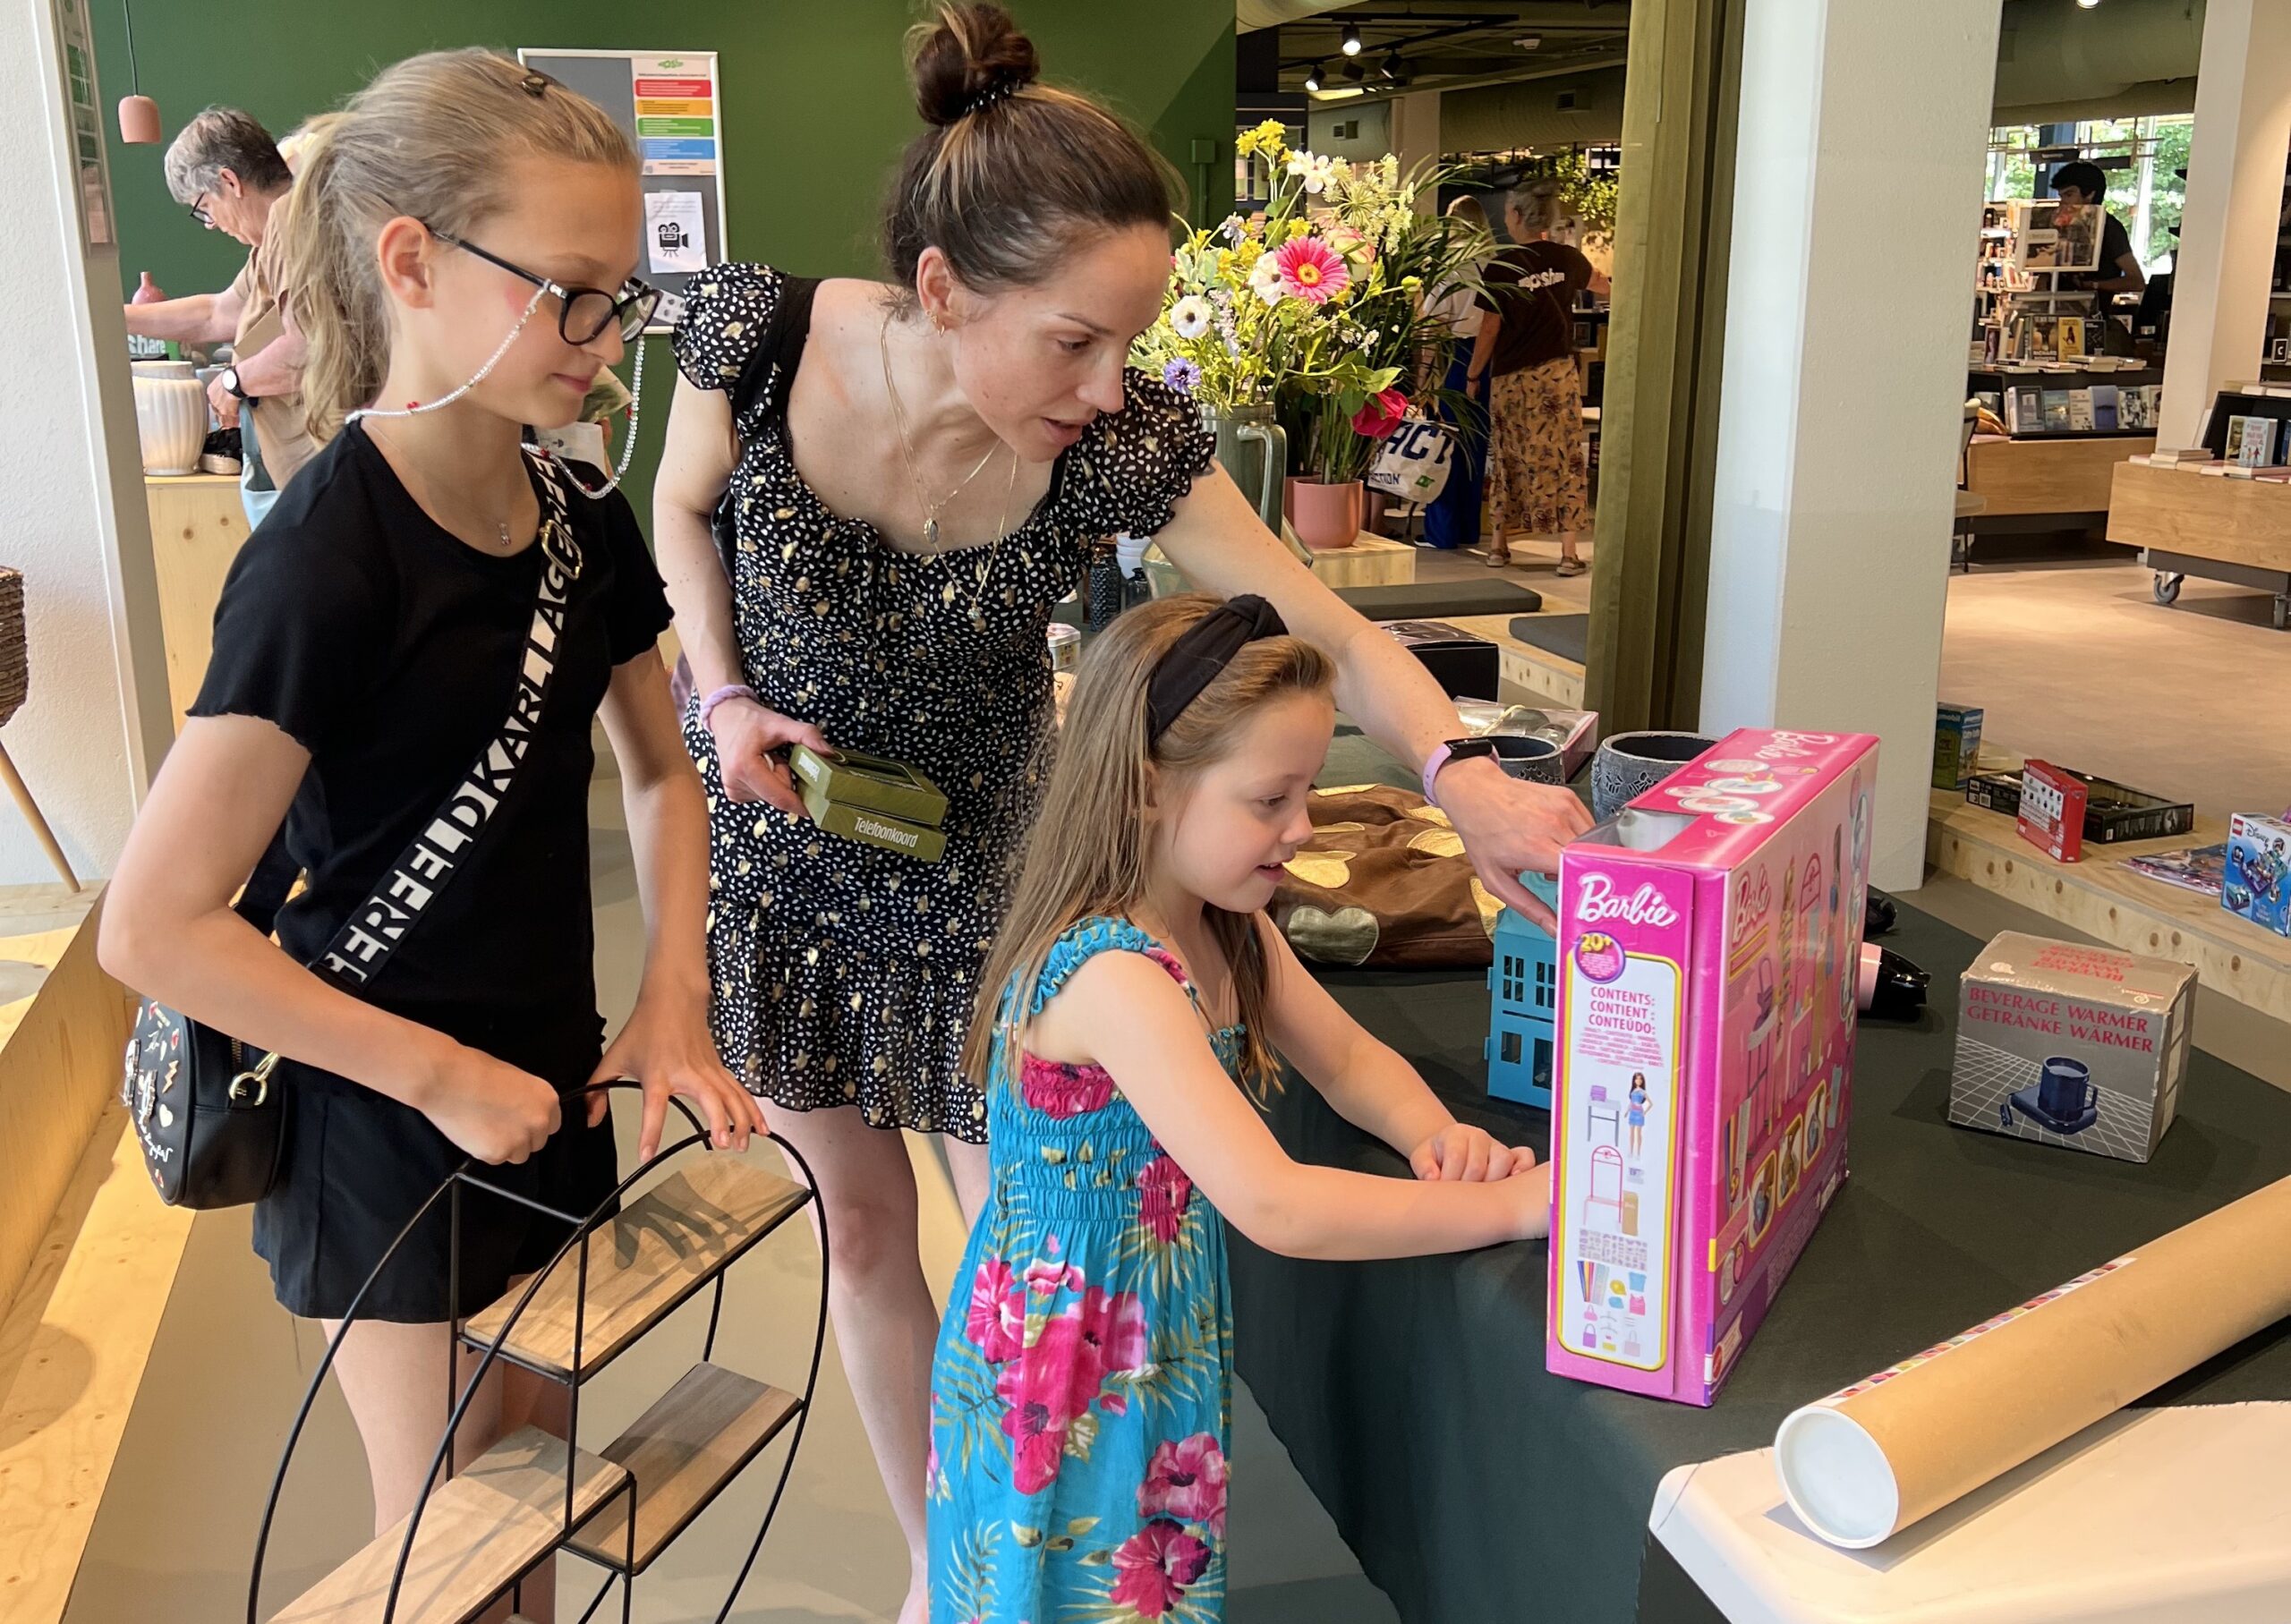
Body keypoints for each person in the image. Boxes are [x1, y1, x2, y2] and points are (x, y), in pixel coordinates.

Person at [651, 8, 1589, 1618]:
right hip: (791, 852)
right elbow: (677, 506)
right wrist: (725, 695)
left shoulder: (1114, 448)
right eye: (1071, 341)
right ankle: (937, 1568)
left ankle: (1024, 1543)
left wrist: (1465, 776)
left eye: (1128, 342)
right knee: (866, 1243)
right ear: (944, 293)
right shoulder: (754, 332)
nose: (1107, 383)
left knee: (1020, 1214)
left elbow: (1335, 624)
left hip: (995, 872)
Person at [98, 52, 761, 1622]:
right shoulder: (322, 560)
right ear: (411, 262)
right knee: (457, 1538)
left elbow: (664, 776)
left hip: (547, 1072)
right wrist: (430, 1074)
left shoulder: (579, 515)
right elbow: (156, 924)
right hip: (374, 1109)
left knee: (541, 1496)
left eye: (620, 300)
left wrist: (673, 991)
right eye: (571, 294)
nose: (604, 345)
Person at [925, 594, 1548, 1622]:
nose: (1302, 828)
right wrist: (1521, 1208)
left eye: (1307, 791)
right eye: (1271, 799)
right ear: (1144, 791)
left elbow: (1347, 1060)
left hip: (1150, 1333)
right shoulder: (1114, 974)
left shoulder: (1227, 925)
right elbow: (1278, 1205)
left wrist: (1432, 1133)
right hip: (1062, 1367)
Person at [121, 107, 315, 526]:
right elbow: (216, 313)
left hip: (321, 470)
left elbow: (311, 347)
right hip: (296, 474)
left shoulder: (297, 223)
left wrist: (234, 381)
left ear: (229, 181)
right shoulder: (267, 245)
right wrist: (117, 316)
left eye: (204, 207)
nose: (210, 224)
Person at [1469, 179, 1609, 576]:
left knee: (1509, 455)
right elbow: (1602, 284)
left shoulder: (1501, 266)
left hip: (1512, 377)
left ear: (1515, 217)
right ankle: (1568, 553)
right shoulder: (1569, 259)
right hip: (1558, 375)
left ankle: (1498, 546)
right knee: (1564, 456)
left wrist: (1473, 374)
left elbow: (1489, 329)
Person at [1421, 193, 1494, 551]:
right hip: (1490, 357)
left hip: (1456, 356)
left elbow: (1432, 325)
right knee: (1476, 446)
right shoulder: (1494, 262)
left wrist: (1422, 381)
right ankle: (1469, 528)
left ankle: (1443, 531)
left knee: (1445, 442)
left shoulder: (1450, 266)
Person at [2051, 160, 2145, 298]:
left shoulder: (2109, 227)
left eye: (2069, 195)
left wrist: (2092, 285)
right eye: (2061, 196)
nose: (2062, 202)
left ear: (2089, 194)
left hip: (2092, 313)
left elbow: (2136, 282)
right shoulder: (2062, 225)